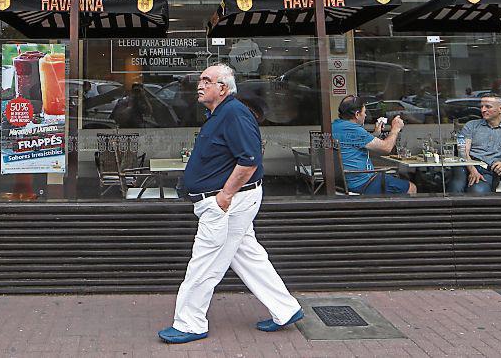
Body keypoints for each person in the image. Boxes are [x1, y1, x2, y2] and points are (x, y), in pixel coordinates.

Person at [158, 64, 303, 345]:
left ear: (223, 88)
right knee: (248, 256)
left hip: (227, 202)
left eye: (206, 81)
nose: (200, 85)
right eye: (200, 80)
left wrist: (224, 196)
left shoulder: (234, 114)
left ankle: (190, 323)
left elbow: (249, 161)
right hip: (230, 201)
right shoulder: (220, 114)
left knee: (205, 262)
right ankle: (285, 309)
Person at [332, 95, 417, 195]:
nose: (366, 115)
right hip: (362, 182)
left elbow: (354, 142)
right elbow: (386, 148)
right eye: (364, 112)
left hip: (344, 181)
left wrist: (375, 134)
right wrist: (395, 129)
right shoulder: (354, 130)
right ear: (357, 114)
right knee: (411, 188)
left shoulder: (335, 126)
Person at [448, 95, 501, 194]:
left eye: (488, 107)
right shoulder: (471, 126)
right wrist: (472, 169)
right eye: (481, 107)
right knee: (456, 186)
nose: (483, 110)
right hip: (466, 164)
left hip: (488, 170)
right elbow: (463, 151)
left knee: (478, 190)